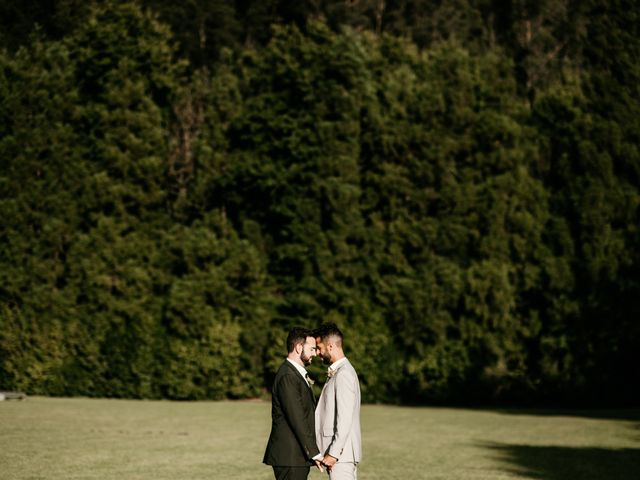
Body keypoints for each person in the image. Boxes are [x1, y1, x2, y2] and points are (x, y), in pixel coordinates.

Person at [263, 327, 324, 480]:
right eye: (312, 349)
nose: (315, 354)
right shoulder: (288, 376)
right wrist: (314, 452)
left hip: (296, 456)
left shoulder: (293, 374)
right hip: (290, 456)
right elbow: (297, 417)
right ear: (298, 348)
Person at [314, 323, 362, 480]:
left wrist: (334, 454)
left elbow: (345, 419)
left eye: (319, 347)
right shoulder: (341, 371)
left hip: (342, 455)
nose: (318, 353)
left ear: (330, 346)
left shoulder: (344, 374)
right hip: (341, 454)